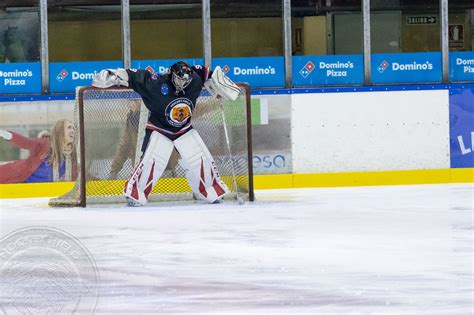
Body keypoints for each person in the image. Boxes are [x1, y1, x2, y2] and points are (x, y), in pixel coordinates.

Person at [92, 61, 240, 206]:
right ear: (171, 74)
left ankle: (210, 191)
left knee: (202, 159)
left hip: (184, 129)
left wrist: (221, 86)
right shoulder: (155, 84)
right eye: (179, 79)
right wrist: (111, 75)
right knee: (151, 162)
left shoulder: (194, 78)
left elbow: (208, 73)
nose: (183, 84)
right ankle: (135, 195)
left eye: (185, 81)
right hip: (159, 129)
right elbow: (131, 75)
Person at [0, 119, 78, 183]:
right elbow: (26, 142)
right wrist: (5, 134)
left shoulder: (71, 155)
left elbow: (75, 176)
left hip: (39, 189)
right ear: (60, 131)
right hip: (18, 174)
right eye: (69, 127)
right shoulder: (45, 144)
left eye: (73, 128)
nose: (73, 131)